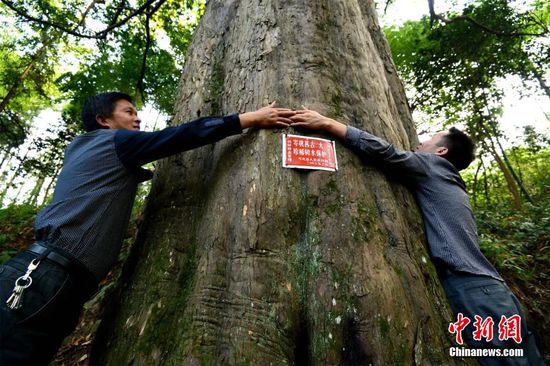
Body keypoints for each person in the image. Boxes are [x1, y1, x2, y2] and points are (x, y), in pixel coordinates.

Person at [0, 92, 295, 365]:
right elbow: (181, 135)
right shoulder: (113, 141)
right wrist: (248, 119)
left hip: (56, 277)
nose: (137, 118)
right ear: (104, 121)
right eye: (129, 112)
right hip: (44, 275)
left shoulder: (87, 148)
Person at [289, 107, 544, 366]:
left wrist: (328, 123)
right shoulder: (449, 180)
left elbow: (386, 153)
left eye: (429, 139)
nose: (419, 142)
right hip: (489, 290)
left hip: (473, 288)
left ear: (441, 151)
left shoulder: (434, 166)